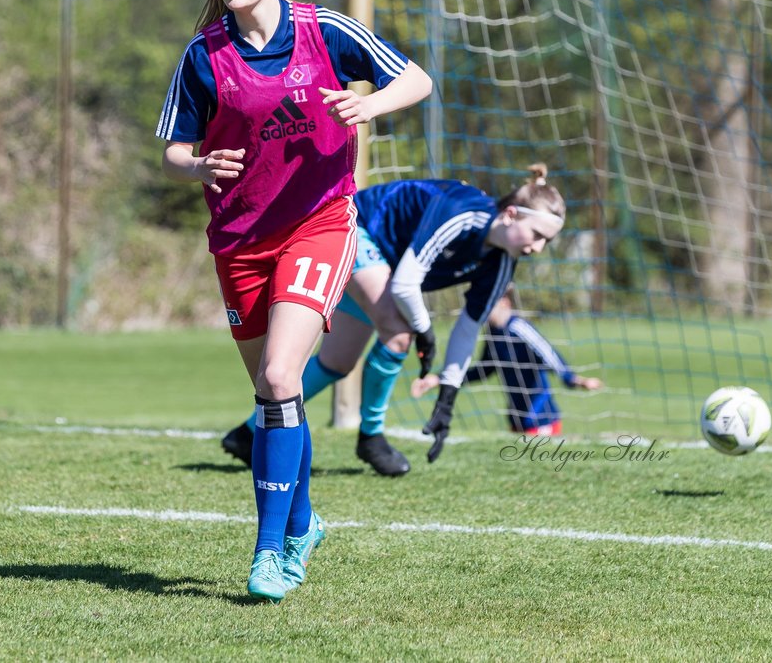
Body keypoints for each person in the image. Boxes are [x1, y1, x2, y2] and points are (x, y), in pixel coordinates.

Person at [156, 0, 432, 602]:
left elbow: (416, 80)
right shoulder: (204, 55)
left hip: (320, 223)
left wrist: (371, 107)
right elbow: (172, 150)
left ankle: (270, 552)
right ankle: (303, 524)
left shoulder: (325, 31)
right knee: (274, 396)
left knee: (282, 377)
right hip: (240, 243)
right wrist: (197, 168)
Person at [221, 165, 567, 475]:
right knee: (399, 332)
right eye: (537, 235)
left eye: (546, 242)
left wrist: (447, 398)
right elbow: (405, 284)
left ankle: (248, 434)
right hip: (351, 227)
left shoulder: (502, 261)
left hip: (381, 261)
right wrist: (425, 330)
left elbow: (467, 329)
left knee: (337, 362)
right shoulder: (462, 214)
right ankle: (371, 437)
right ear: (510, 214)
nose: (538, 248)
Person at [410, 289, 603, 436]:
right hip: (516, 418)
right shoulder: (493, 335)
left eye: (488, 304)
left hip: (541, 418)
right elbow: (483, 370)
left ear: (505, 302)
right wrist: (440, 379)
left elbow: (549, 355)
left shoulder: (520, 329)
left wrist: (574, 379)